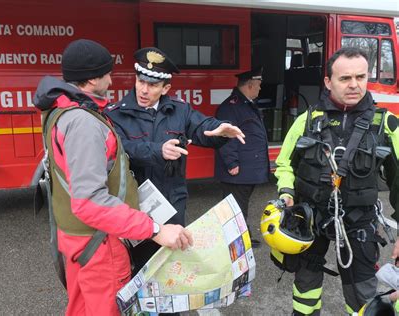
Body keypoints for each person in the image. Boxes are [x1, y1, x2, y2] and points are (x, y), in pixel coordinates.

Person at [33, 39, 193, 316]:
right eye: (107, 73)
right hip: (98, 246)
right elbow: (90, 201)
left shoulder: (61, 110)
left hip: (78, 240)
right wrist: (156, 230)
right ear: (93, 78)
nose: (111, 78)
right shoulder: (83, 122)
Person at [274, 46, 399, 315]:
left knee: (362, 296)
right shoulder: (307, 122)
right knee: (305, 286)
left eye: (361, 77)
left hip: (359, 223)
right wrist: (286, 193)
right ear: (329, 82)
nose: (354, 85)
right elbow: (284, 163)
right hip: (310, 221)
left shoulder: (387, 124)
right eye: (345, 79)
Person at [105, 47, 245, 275]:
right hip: (136, 207)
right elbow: (120, 150)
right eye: (141, 81)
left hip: (173, 205)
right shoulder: (115, 114)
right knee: (141, 270)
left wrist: (218, 130)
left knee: (172, 270)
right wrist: (156, 150)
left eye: (152, 85)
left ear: (166, 88)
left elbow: (201, 126)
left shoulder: (179, 110)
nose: (143, 89)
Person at [214, 67, 269, 248]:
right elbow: (225, 136)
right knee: (235, 206)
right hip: (239, 168)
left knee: (239, 204)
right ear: (251, 85)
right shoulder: (231, 107)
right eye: (259, 85)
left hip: (247, 168)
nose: (260, 88)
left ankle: (241, 237)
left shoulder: (245, 104)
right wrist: (231, 162)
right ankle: (237, 241)